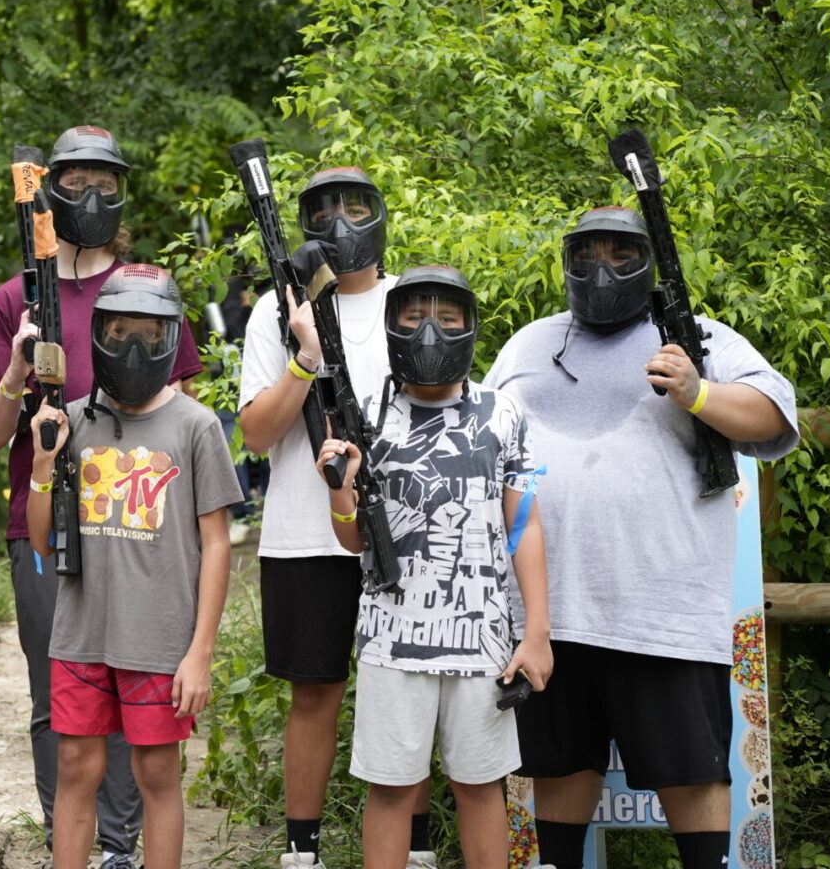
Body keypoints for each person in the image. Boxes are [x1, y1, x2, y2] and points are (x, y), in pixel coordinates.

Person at [485, 207, 797, 869]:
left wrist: (697, 392)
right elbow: (483, 447)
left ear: (648, 260)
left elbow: (773, 416)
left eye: (620, 254)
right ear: (566, 261)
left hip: (663, 614)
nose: (602, 269)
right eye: (586, 254)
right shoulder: (526, 345)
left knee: (693, 773)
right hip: (548, 616)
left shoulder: (698, 338)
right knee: (559, 765)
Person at [0, 125, 202, 869]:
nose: (91, 196)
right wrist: (18, 371)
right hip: (42, 521)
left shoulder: (146, 288)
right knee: (59, 698)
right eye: (74, 181)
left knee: (137, 693)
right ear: (49, 188)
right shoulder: (16, 297)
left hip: (137, 527)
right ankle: (65, 841)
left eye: (105, 181)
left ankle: (118, 846)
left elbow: (182, 410)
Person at [237, 166, 439, 868]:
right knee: (314, 694)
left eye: (356, 206)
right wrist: (305, 359)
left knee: (408, 690)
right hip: (303, 536)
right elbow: (256, 435)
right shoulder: (277, 310)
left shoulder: (412, 302)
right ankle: (303, 853)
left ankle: (414, 848)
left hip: (401, 531)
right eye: (324, 210)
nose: (341, 223)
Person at [316, 265, 551, 869]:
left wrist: (537, 632)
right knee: (392, 788)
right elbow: (352, 541)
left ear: (469, 326)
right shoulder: (364, 413)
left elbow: (524, 526)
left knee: (480, 787)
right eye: (415, 317)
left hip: (484, 641)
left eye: (447, 319)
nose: (430, 332)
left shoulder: (504, 413)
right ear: (392, 325)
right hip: (392, 642)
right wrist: (339, 491)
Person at [26, 264, 241, 869]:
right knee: (75, 767)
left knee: (157, 773)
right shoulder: (71, 419)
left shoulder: (196, 426)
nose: (134, 349)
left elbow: (217, 544)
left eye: (150, 334)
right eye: (120, 333)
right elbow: (42, 542)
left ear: (171, 337)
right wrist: (42, 465)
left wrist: (200, 653)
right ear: (98, 333)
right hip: (83, 633)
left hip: (160, 641)